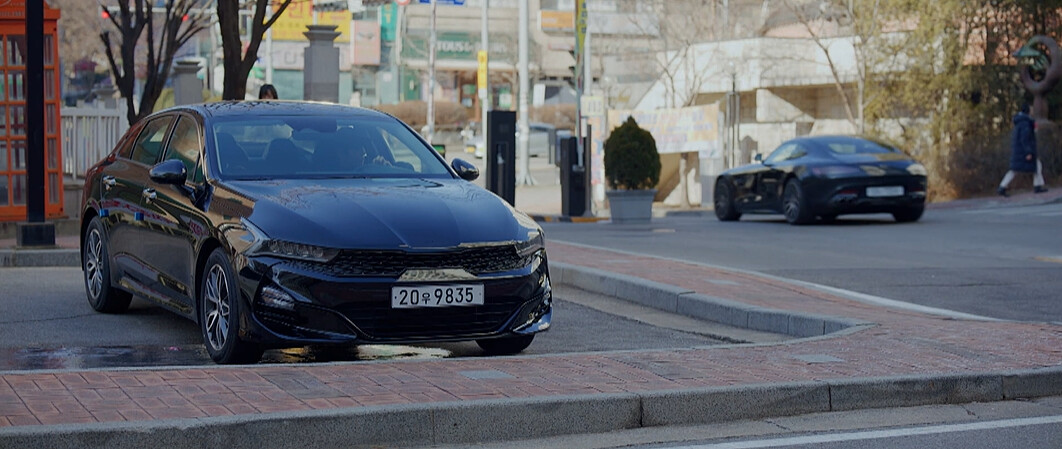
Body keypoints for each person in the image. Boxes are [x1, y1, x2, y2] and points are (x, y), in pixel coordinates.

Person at [998, 103, 1048, 197]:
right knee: (1017, 170)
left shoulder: (1021, 122)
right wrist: (1028, 152)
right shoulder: (1026, 123)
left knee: (1034, 166)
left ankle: (1038, 185)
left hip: (1019, 151)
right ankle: (1002, 187)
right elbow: (1025, 138)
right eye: (1031, 109)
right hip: (1024, 151)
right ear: (1028, 111)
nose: (1033, 111)